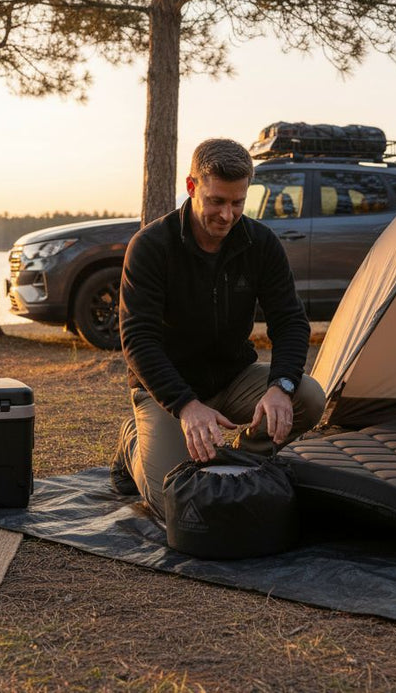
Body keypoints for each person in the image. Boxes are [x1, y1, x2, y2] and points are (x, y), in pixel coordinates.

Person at [113, 138, 325, 518]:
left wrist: (281, 386)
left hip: (232, 377)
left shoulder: (261, 243)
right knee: (174, 505)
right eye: (216, 201)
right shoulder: (151, 246)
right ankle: (132, 444)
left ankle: (240, 459)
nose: (227, 215)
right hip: (169, 391)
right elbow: (138, 340)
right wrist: (186, 405)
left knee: (307, 396)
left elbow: (290, 321)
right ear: (192, 187)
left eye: (237, 203)